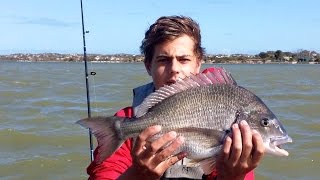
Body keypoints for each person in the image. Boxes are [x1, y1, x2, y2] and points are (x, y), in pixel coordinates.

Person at [87, 15, 265, 180]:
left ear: (198, 63)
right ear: (149, 66)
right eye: (163, 60)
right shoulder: (125, 122)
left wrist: (233, 176)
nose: (174, 69)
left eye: (184, 59)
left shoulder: (226, 114)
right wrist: (137, 175)